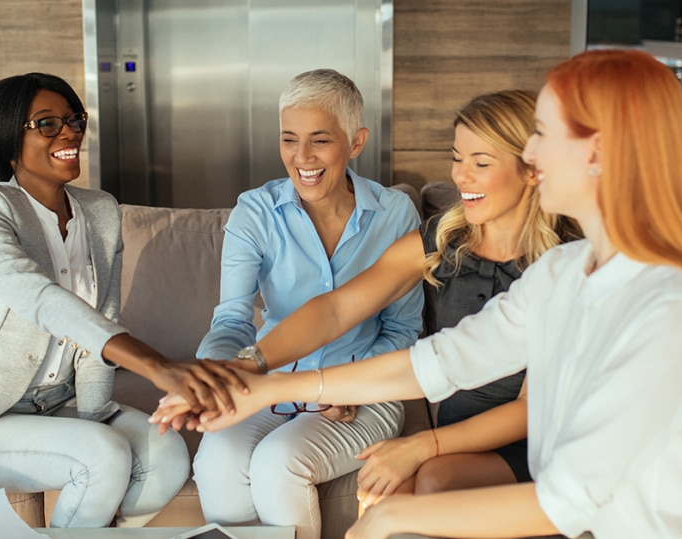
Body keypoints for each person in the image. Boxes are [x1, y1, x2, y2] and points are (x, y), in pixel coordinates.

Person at [156, 49, 682, 538]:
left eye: (543, 134)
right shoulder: (568, 274)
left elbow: (570, 499)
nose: (531, 155)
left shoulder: (672, 309)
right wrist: (258, 387)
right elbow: (441, 362)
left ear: (599, 153)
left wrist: (395, 517)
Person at [203, 90, 578, 509]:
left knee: (431, 482)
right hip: (455, 433)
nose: (461, 177)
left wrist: (423, 445)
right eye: (457, 158)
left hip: (536, 435)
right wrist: (247, 366)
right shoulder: (446, 237)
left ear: (532, 169)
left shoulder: (565, 265)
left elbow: (530, 407)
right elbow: (336, 309)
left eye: (481, 163)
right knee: (383, 501)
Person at [0, 72, 245, 528]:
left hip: (59, 403)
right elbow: (39, 298)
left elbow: (101, 317)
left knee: (166, 454)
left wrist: (93, 415)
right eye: (47, 123)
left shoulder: (99, 210)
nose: (69, 132)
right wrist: (156, 365)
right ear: (9, 140)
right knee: (103, 457)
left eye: (74, 119)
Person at [189, 68, 424, 539]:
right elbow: (233, 319)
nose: (302, 158)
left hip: (363, 394)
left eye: (320, 140)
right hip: (271, 387)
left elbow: (403, 332)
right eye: (289, 140)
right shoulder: (255, 211)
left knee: (278, 465)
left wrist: (347, 387)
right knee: (217, 459)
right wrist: (220, 376)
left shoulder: (395, 214)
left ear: (356, 142)